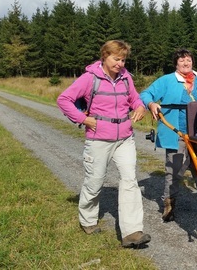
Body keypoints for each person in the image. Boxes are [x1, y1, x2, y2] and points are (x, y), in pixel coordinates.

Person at [57, 40, 151, 248]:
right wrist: (83, 119)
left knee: (130, 180)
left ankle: (132, 232)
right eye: (116, 59)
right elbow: (63, 100)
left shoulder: (126, 78)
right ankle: (88, 220)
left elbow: (135, 99)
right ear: (105, 56)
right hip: (98, 139)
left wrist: (140, 107)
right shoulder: (89, 78)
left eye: (123, 59)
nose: (120, 63)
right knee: (95, 181)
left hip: (124, 139)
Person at [140, 48, 197, 222]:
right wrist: (151, 104)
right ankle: (169, 205)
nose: (186, 63)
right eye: (182, 60)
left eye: (189, 60)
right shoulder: (167, 80)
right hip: (176, 132)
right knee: (174, 170)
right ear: (176, 63)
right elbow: (145, 94)